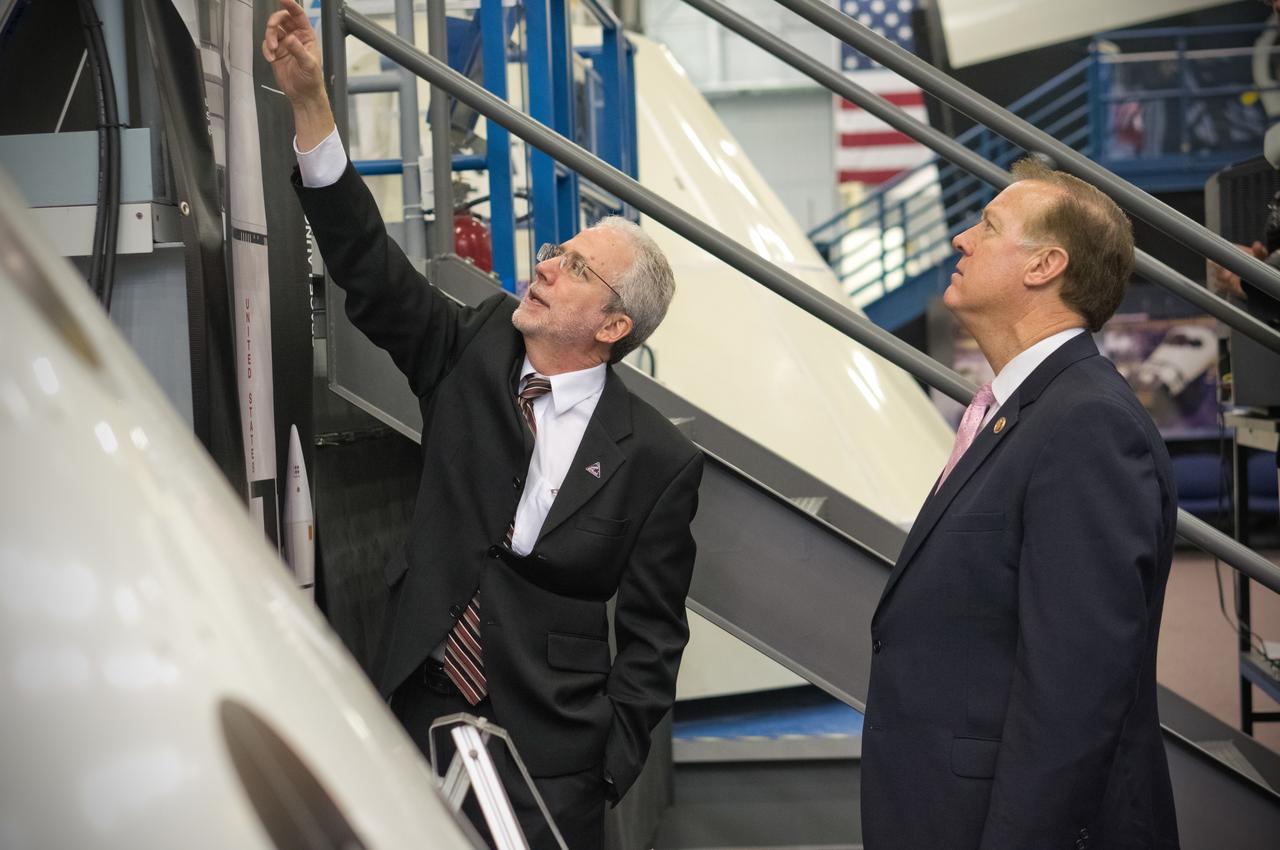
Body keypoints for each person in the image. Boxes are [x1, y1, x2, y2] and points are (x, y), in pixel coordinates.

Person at [263, 3, 703, 848]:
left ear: (614, 326)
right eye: (557, 252)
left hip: (554, 757)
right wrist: (312, 108)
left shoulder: (658, 459)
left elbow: (653, 637)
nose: (544, 264)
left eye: (574, 268)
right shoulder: (470, 350)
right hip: (417, 710)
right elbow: (372, 272)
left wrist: (610, 763)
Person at [861, 158, 1179, 850]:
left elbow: (1074, 695)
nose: (961, 240)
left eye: (989, 226)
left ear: (1045, 266)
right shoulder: (1021, 412)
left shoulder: (1086, 425)